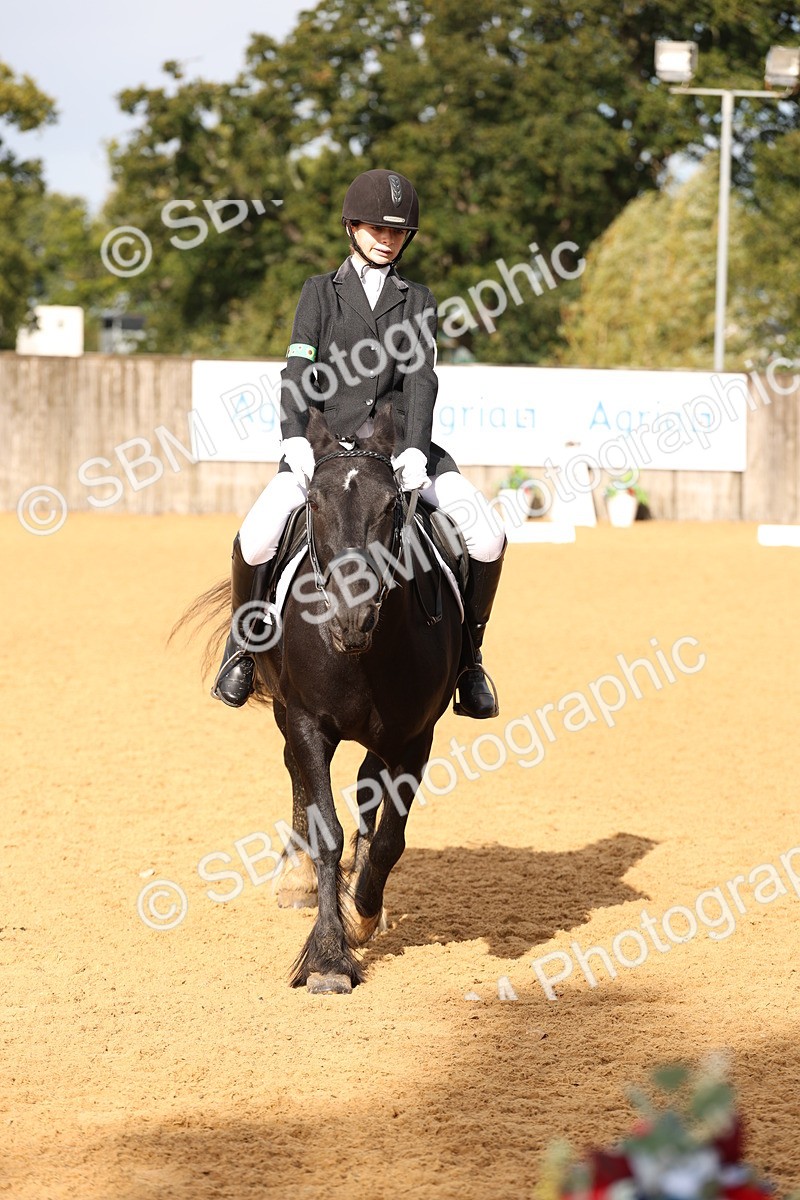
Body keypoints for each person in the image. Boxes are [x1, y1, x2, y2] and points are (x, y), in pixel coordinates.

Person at [212, 168, 506, 717]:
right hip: (322, 449)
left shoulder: (418, 300)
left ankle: (470, 664)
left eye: (397, 231)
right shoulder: (319, 293)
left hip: (400, 452)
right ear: (352, 228)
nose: (387, 239)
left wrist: (415, 446)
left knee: (488, 537)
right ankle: (242, 651)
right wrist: (294, 438)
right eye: (376, 228)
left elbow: (421, 378)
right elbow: (296, 370)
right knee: (255, 540)